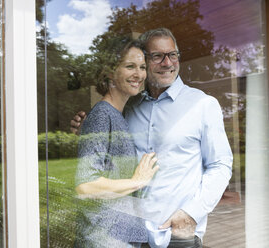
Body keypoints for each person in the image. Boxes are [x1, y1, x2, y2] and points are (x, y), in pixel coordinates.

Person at [71, 28, 233, 248]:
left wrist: (191, 214)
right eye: (157, 56)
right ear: (146, 59)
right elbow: (108, 148)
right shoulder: (130, 107)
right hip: (131, 235)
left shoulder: (203, 104)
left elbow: (220, 165)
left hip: (176, 233)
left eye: (172, 54)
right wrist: (88, 128)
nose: (167, 63)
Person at [74, 37, 159, 248]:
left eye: (142, 67)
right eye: (130, 66)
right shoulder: (103, 115)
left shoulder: (117, 114)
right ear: (111, 72)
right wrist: (137, 181)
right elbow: (86, 186)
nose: (138, 74)